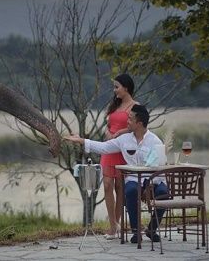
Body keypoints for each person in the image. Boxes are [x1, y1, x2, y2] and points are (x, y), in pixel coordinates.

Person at [64, 104, 168, 243]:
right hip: (133, 179)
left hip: (153, 180)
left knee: (163, 192)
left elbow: (161, 165)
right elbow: (104, 147)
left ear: (139, 123)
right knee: (130, 190)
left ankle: (152, 229)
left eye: (130, 119)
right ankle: (136, 231)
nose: (127, 122)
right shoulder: (124, 140)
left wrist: (153, 183)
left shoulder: (155, 141)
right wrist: (81, 141)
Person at [100, 73, 138, 239]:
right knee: (107, 184)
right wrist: (108, 132)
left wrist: (120, 132)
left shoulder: (136, 107)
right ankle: (112, 226)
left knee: (119, 187)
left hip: (123, 150)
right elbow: (108, 124)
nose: (114, 90)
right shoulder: (114, 105)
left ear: (126, 87)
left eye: (117, 87)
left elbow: (137, 128)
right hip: (109, 149)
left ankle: (117, 224)